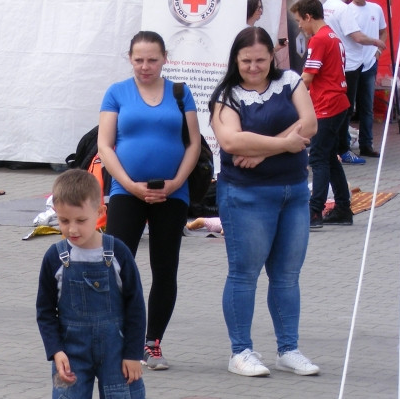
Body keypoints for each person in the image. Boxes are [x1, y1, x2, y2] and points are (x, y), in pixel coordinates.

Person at [33, 169, 175, 399]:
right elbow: (45, 311)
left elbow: (135, 307)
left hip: (116, 353)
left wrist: (132, 354)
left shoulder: (118, 253)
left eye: (80, 220)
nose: (72, 229)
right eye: (64, 221)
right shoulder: (55, 258)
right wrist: (56, 351)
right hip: (72, 356)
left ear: (98, 212)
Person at [210, 27, 320, 378]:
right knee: (244, 274)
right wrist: (284, 145)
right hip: (245, 195)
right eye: (246, 61)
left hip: (293, 191)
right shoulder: (227, 95)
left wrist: (261, 152)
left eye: (261, 59)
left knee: (288, 275)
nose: (254, 66)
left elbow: (311, 123)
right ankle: (240, 350)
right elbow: (231, 141)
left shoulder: (290, 80)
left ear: (273, 56)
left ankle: (288, 348)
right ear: (235, 60)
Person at [97, 31, 200, 372]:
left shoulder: (180, 93)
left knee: (165, 268)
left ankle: (152, 342)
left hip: (172, 193)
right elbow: (105, 145)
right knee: (114, 266)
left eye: (152, 59)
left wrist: (174, 184)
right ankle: (117, 337)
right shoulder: (117, 93)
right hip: (128, 192)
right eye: (139, 59)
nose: (145, 66)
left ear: (164, 58)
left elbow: (194, 145)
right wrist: (128, 185)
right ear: (130, 58)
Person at [290, 0, 352, 229]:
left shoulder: (318, 39)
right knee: (328, 157)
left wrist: (287, 93)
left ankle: (314, 211)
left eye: (299, 21)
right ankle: (343, 207)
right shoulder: (332, 36)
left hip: (327, 104)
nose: (299, 27)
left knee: (317, 158)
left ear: (308, 16)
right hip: (338, 102)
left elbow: (307, 77)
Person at [343, 0, 388, 158]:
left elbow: (384, 31)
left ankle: (366, 145)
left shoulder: (376, 8)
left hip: (370, 63)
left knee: (367, 107)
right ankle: (345, 144)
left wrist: (378, 52)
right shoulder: (347, 10)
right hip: (352, 64)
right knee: (348, 106)